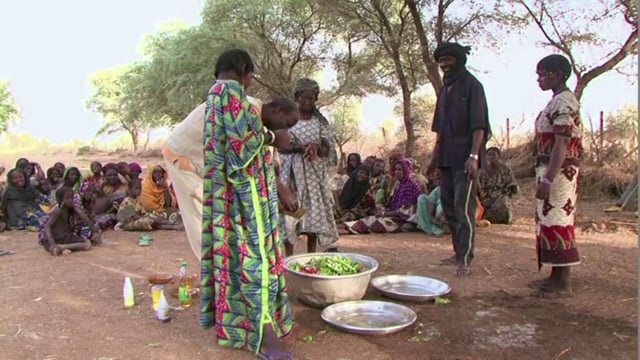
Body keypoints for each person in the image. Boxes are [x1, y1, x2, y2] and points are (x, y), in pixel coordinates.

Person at [199, 49, 294, 360]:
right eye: (251, 75)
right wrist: (271, 138)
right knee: (257, 259)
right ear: (242, 70)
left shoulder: (215, 96)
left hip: (225, 195)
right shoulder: (232, 94)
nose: (250, 82)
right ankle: (266, 337)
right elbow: (242, 148)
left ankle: (241, 326)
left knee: (234, 258)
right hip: (244, 198)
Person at [162, 96, 299, 257]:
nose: (285, 130)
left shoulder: (258, 123)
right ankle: (215, 276)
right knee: (202, 224)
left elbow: (258, 159)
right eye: (287, 124)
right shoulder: (245, 109)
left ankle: (227, 270)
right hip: (184, 158)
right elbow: (246, 153)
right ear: (278, 111)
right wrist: (281, 188)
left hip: (205, 165)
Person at [427, 42, 491, 277]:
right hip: (446, 158)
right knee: (450, 209)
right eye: (441, 60)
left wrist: (474, 156)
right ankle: (457, 253)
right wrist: (434, 158)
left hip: (465, 159)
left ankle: (465, 259)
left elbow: (479, 126)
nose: (444, 64)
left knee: (464, 210)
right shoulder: (445, 90)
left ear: (459, 60)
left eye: (448, 60)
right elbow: (440, 130)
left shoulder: (473, 86)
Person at [528, 54, 584, 297]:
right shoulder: (556, 101)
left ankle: (563, 283)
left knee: (559, 220)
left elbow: (562, 143)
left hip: (560, 173)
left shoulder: (564, 102)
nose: (539, 79)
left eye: (543, 74)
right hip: (553, 169)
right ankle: (555, 276)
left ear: (558, 75)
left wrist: (549, 179)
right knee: (550, 220)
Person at [278, 77, 339, 255]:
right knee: (289, 217)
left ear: (315, 99)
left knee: (313, 220)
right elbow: (279, 145)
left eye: (310, 98)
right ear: (296, 97)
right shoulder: (286, 119)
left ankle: (310, 256)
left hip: (313, 179)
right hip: (290, 177)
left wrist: (317, 148)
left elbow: (328, 149)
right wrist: (297, 148)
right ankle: (289, 258)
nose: (306, 102)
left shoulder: (321, 122)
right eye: (303, 98)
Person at [345, 159, 421, 234]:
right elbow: (391, 203)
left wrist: (386, 213)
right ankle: (353, 226)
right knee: (369, 219)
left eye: (400, 170)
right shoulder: (399, 184)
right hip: (394, 214)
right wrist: (383, 210)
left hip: (403, 218)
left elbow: (406, 210)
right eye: (395, 169)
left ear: (406, 171)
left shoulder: (411, 186)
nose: (396, 172)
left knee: (379, 224)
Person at [37, 187, 97, 256]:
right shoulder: (58, 211)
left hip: (65, 236)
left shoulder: (70, 209)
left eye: (72, 197)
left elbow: (84, 217)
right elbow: (47, 227)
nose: (71, 200)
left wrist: (76, 208)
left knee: (87, 240)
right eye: (67, 198)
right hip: (57, 238)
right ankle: (60, 247)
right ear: (60, 200)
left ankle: (60, 248)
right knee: (87, 244)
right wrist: (52, 242)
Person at [116, 179, 181, 231]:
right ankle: (172, 227)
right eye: (136, 188)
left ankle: (171, 224)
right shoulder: (127, 201)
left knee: (156, 217)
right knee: (148, 221)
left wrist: (152, 217)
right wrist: (149, 218)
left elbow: (143, 213)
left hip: (137, 219)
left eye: (139, 188)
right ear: (129, 190)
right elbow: (133, 217)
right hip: (127, 223)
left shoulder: (137, 200)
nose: (138, 190)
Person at [479, 147, 518, 224]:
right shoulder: (483, 170)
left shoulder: (506, 170)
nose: (491, 157)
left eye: (493, 154)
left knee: (502, 204)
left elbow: (512, 186)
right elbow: (478, 186)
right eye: (489, 155)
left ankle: (487, 218)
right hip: (486, 198)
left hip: (500, 197)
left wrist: (507, 194)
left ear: (499, 156)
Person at [416, 171, 446, 236]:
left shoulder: (454, 189)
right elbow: (430, 211)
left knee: (442, 205)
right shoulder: (437, 190)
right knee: (421, 198)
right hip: (436, 219)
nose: (437, 177)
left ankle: (441, 229)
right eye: (436, 176)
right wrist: (432, 219)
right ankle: (429, 228)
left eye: (439, 176)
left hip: (448, 217)